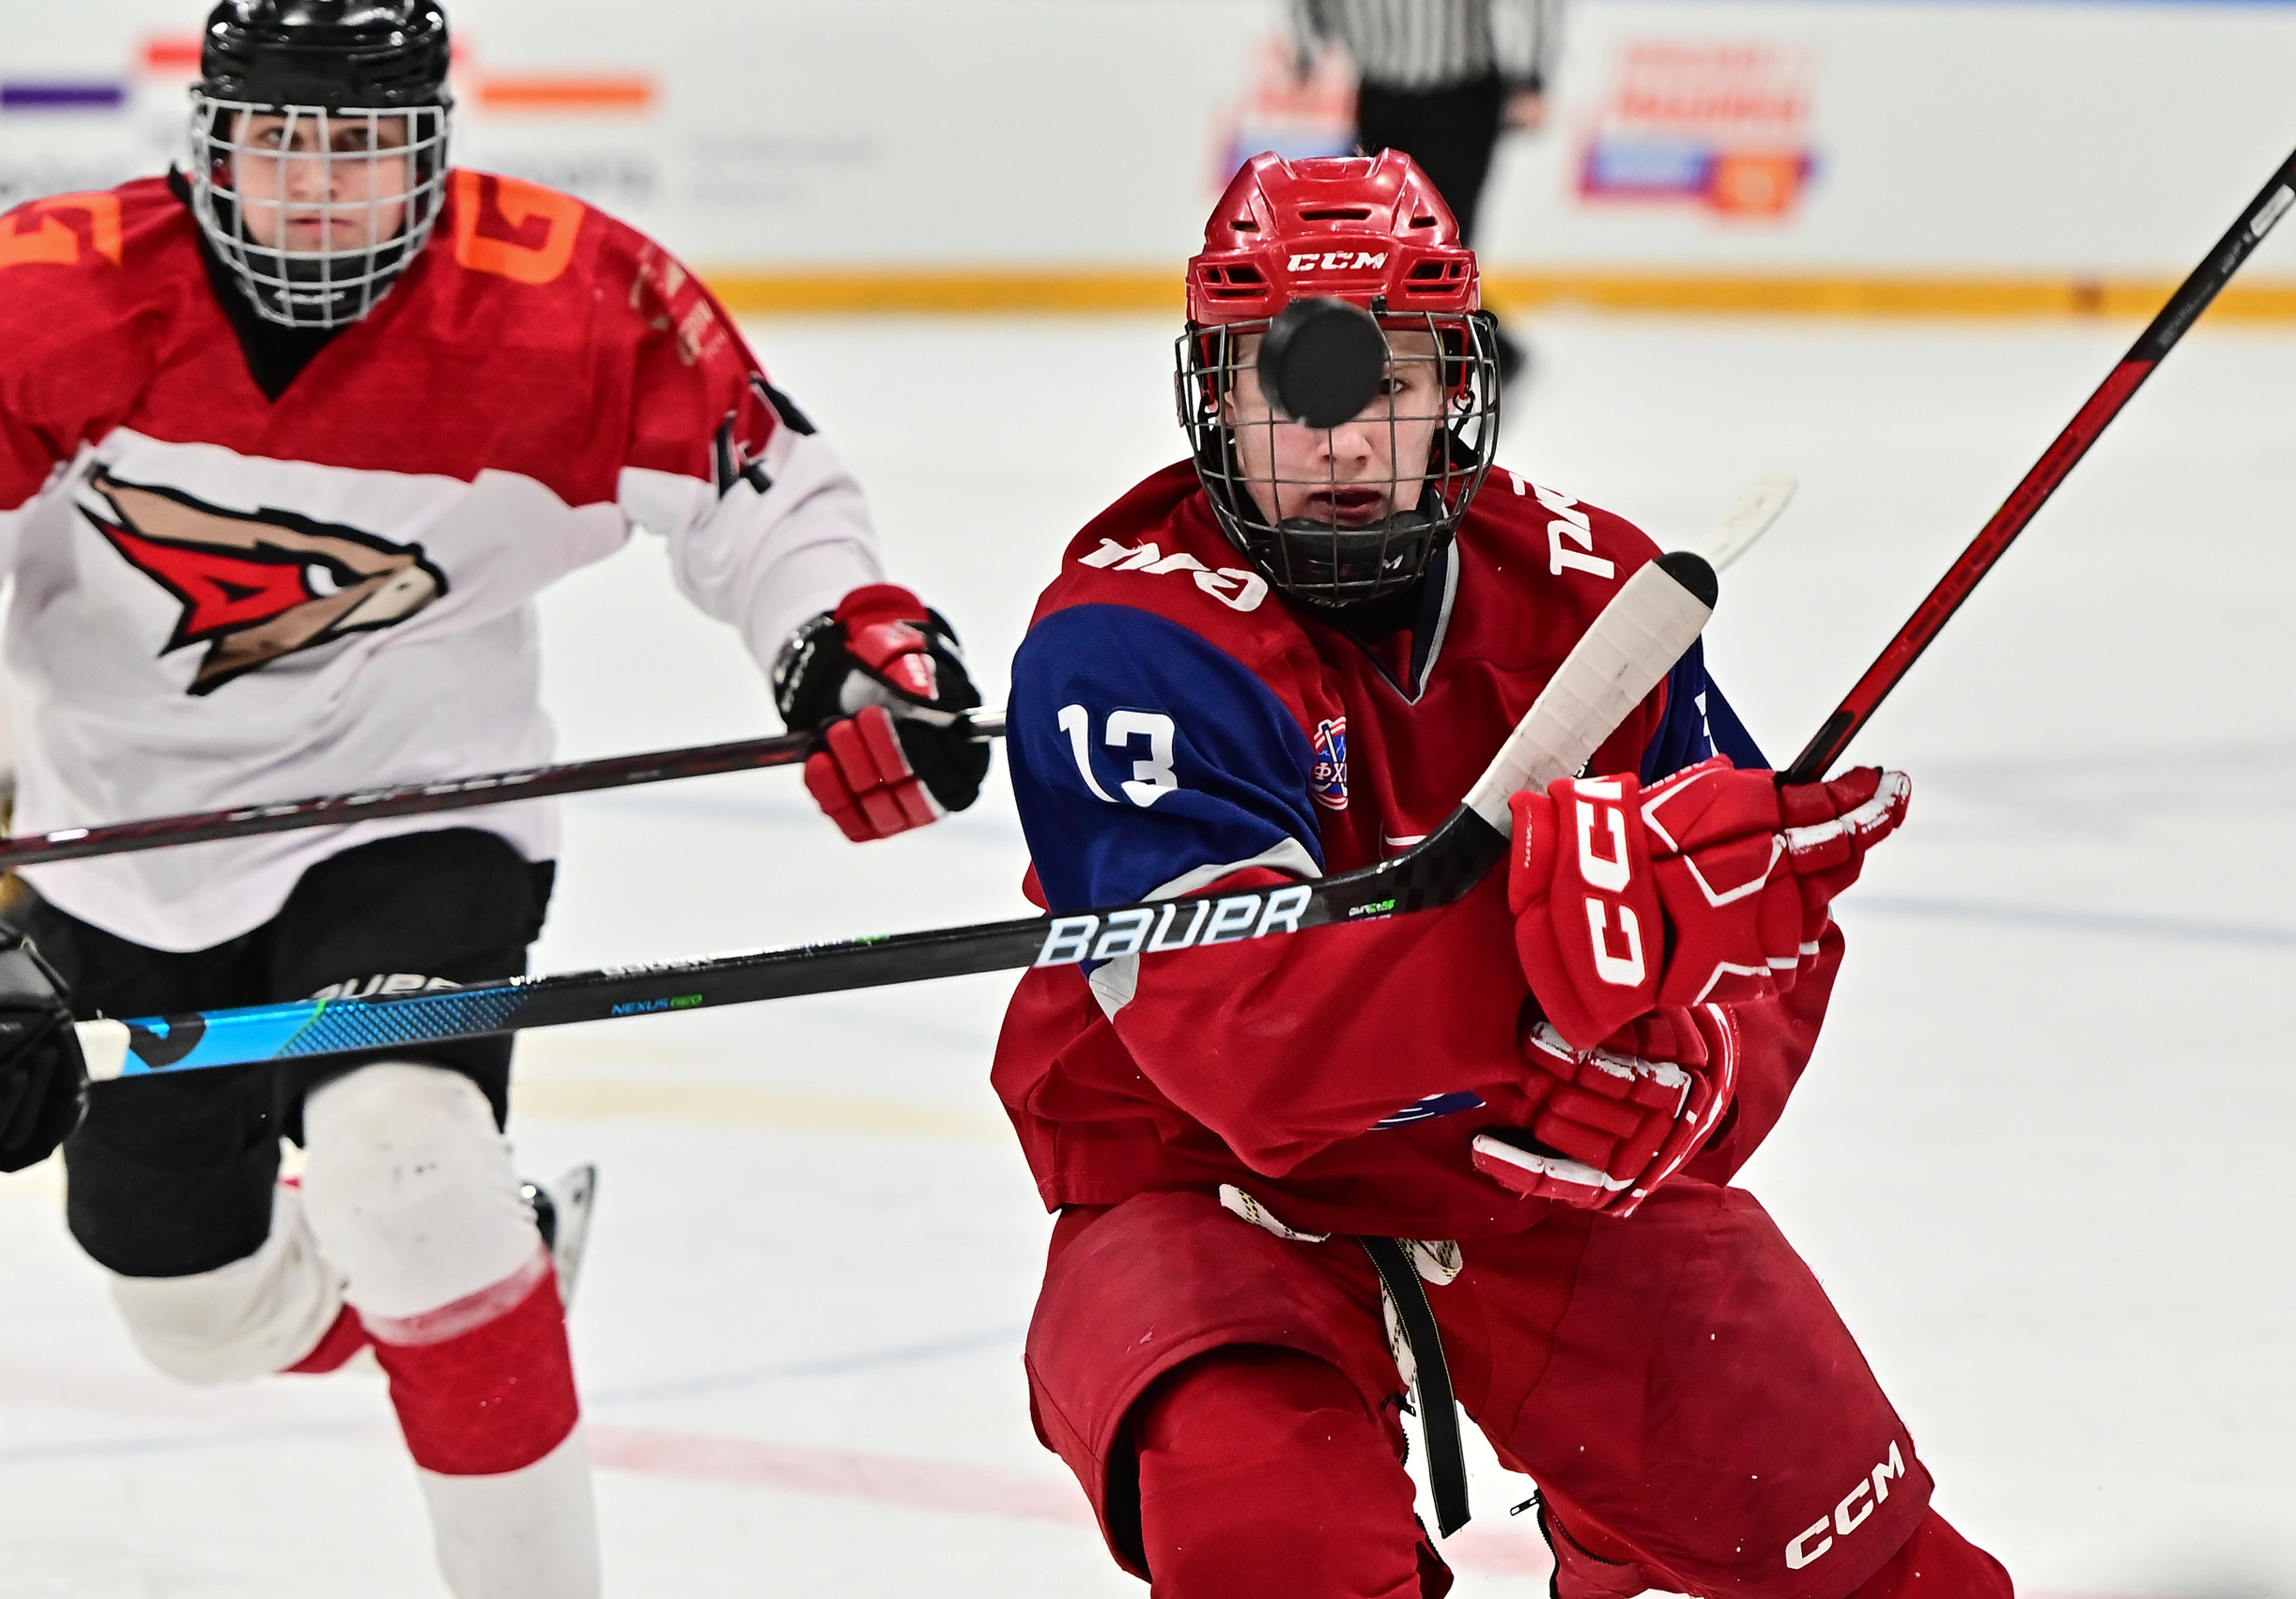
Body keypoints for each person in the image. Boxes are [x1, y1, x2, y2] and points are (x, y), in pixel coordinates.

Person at [0, 3, 985, 1594]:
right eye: (280, 147)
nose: (319, 192)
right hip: (115, 846)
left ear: (434, 150)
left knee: (409, 1159)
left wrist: (850, 644)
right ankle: (474, 1269)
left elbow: (767, 491)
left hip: (416, 812)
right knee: (193, 1314)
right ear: (209, 147)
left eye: (363, 150)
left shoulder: (563, 296)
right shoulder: (48, 297)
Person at [993, 149, 2011, 1599]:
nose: (1342, 442)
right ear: (1217, 393)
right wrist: (1559, 950)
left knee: (1894, 1575)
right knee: (1267, 1540)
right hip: (1200, 1185)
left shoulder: (1595, 592)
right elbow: (1247, 1052)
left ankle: (1623, 1515)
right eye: (1297, 388)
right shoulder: (1128, 642)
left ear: (1455, 385)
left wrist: (1696, 1068)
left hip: (1529, 1171)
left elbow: (1768, 918)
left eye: (1386, 381)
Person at [1294, 0, 1562, 383]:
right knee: (1377, 242)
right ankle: (1443, 365)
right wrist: (1307, 47)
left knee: (1439, 250)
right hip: (1378, 90)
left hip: (1460, 91)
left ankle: (1470, 365)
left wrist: (1531, 72)